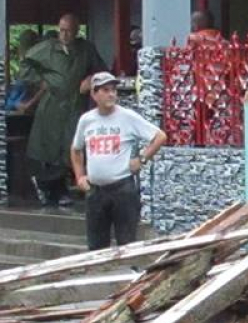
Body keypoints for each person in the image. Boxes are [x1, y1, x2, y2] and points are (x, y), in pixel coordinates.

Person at [70, 72, 168, 250]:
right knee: (96, 246)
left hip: (122, 188)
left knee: (126, 242)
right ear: (94, 94)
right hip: (96, 191)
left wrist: (142, 159)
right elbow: (76, 149)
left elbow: (159, 136)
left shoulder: (127, 117)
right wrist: (80, 176)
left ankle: (129, 274)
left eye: (114, 90)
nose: (111, 95)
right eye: (105, 90)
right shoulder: (86, 120)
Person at [20, 13, 107, 207]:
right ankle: (51, 190)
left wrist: (91, 80)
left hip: (75, 104)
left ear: (77, 31)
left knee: (73, 145)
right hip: (52, 105)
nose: (65, 34)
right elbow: (25, 64)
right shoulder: (47, 48)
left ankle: (70, 186)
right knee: (48, 148)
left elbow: (102, 70)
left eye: (69, 31)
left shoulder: (85, 49)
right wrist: (41, 81)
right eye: (62, 30)